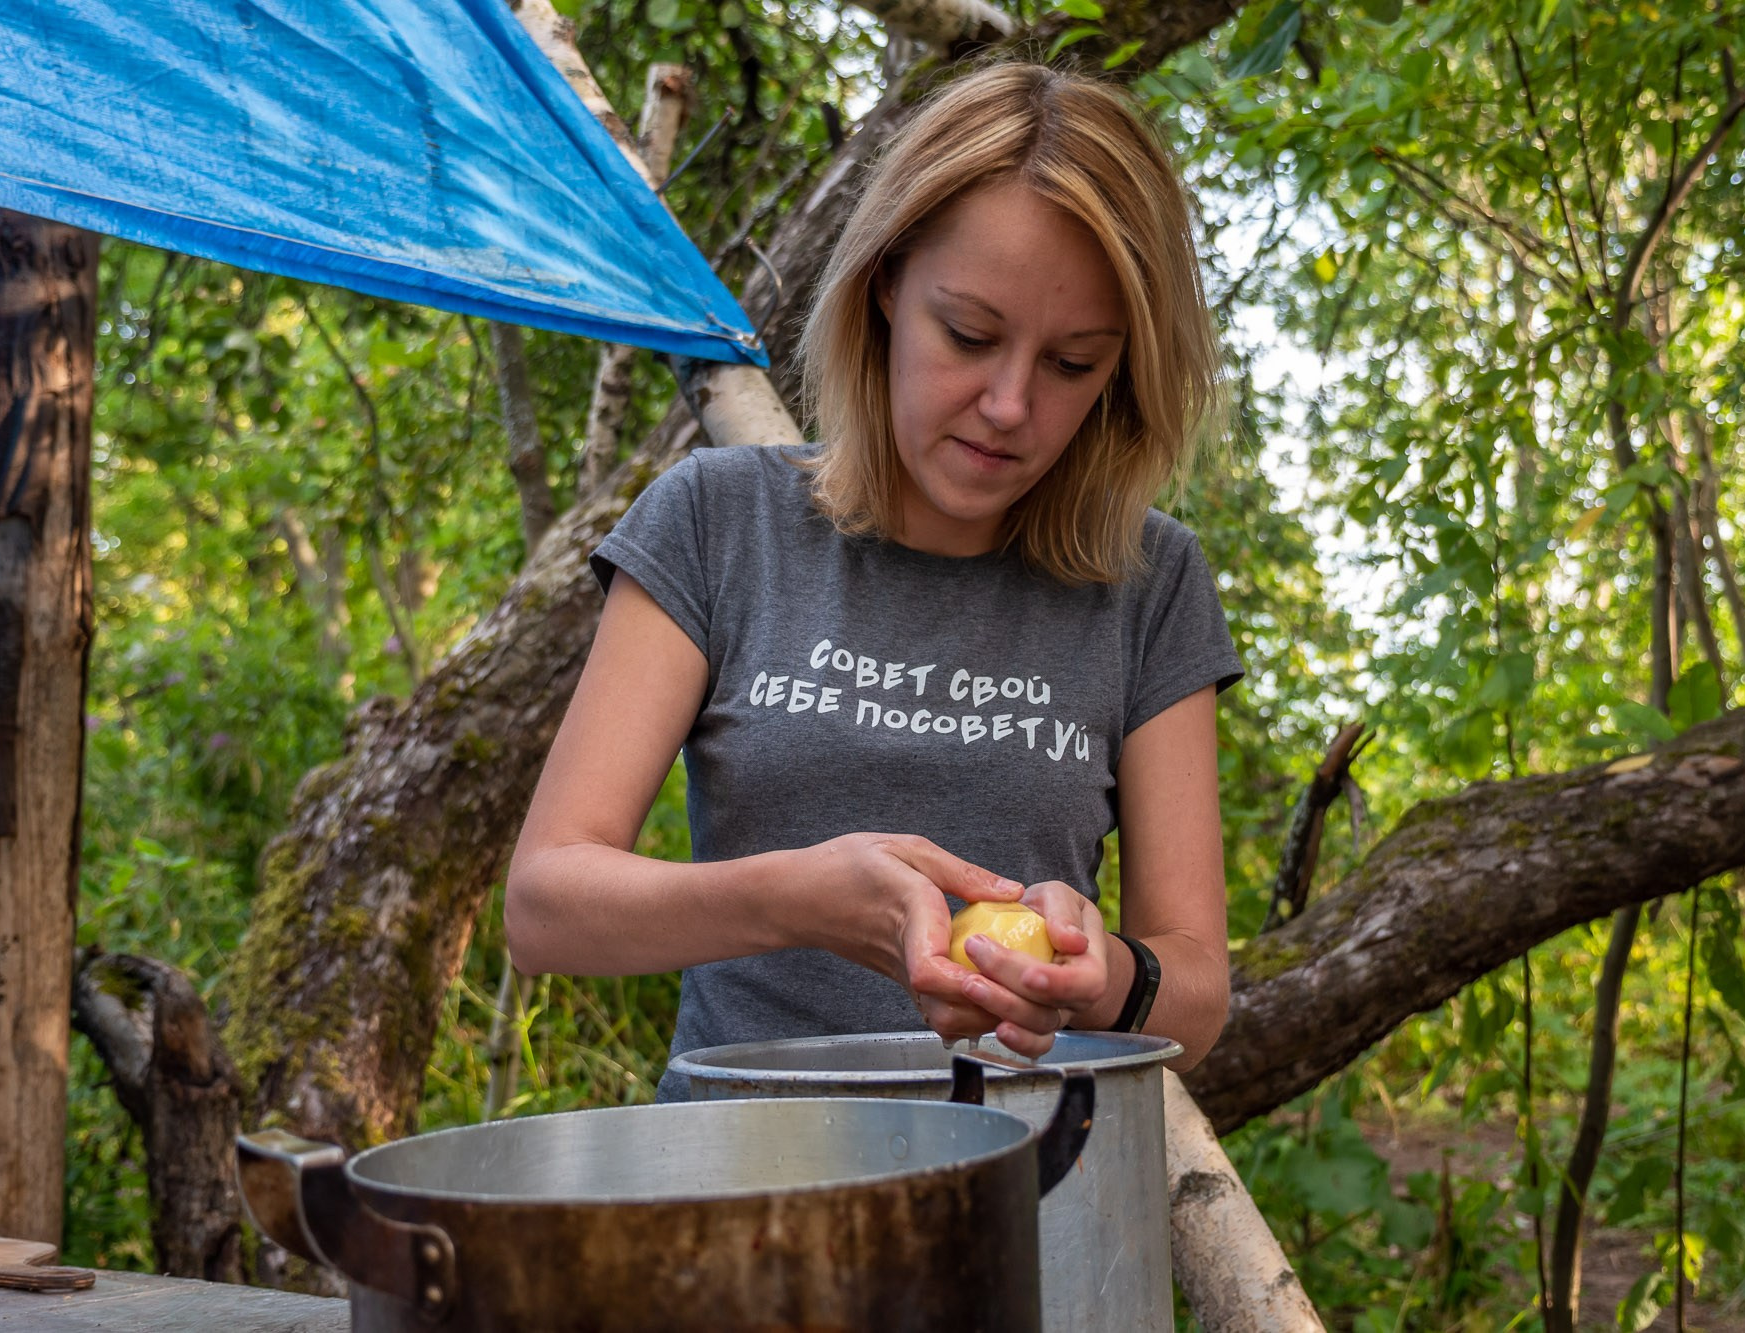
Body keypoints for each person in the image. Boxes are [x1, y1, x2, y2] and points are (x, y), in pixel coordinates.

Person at [505, 60, 1243, 1103]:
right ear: (886, 284)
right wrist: (800, 900)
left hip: (1024, 1210)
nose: (1007, 403)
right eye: (970, 335)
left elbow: (1196, 994)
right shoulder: (718, 522)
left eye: (1072, 363)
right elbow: (543, 906)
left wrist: (1094, 971)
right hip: (727, 1210)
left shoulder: (1148, 581)